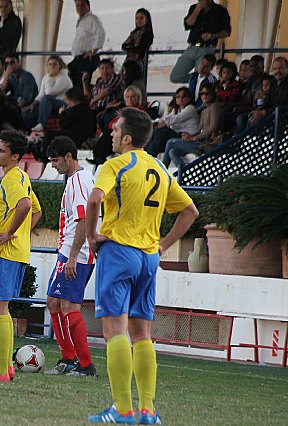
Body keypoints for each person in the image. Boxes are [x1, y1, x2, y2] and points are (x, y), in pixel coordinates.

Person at [85, 107, 199, 424]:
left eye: (115, 128)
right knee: (142, 333)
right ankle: (148, 410)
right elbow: (190, 211)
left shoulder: (116, 165)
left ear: (127, 138)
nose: (111, 132)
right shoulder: (161, 169)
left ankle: (122, 409)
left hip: (119, 251)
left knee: (114, 329)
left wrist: (93, 236)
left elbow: (94, 200)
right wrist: (163, 245)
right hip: (149, 258)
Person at [0, 130, 42, 382]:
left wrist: (10, 233)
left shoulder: (12, 179)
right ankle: (7, 368)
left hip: (5, 252)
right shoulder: (22, 176)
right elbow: (37, 210)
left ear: (14, 156)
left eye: (1, 150)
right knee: (3, 310)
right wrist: (22, 234)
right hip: (17, 252)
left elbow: (25, 206)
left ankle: (1, 371)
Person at [42, 136, 97, 377]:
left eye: (55, 161)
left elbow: (83, 219)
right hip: (70, 251)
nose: (53, 166)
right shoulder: (80, 178)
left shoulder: (78, 181)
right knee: (54, 301)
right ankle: (68, 358)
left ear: (68, 157)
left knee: (69, 305)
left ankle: (84, 365)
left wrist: (73, 256)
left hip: (77, 253)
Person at [170, 0, 231, 84]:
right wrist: (198, 8)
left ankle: (201, 81)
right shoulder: (194, 8)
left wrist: (212, 35)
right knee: (175, 77)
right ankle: (202, 78)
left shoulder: (221, 11)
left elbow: (226, 32)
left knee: (200, 77)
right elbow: (188, 24)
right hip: (192, 47)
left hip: (207, 48)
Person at [163, 83, 222, 168]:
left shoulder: (214, 107)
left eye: (206, 93)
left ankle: (162, 170)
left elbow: (212, 128)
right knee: (172, 151)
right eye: (201, 94)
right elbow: (199, 129)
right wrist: (189, 136)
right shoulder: (204, 110)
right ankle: (183, 173)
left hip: (208, 144)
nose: (204, 96)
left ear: (212, 94)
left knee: (171, 142)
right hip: (199, 142)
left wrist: (194, 138)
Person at [89, 85, 147, 166]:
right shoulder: (122, 109)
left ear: (137, 98)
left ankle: (99, 157)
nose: (130, 99)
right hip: (120, 131)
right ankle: (98, 156)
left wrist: (115, 126)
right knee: (108, 132)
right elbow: (111, 123)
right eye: (128, 97)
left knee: (109, 134)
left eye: (132, 97)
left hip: (129, 134)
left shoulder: (139, 110)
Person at [22, 55, 73, 132]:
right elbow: (41, 94)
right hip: (47, 104)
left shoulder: (64, 77)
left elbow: (50, 92)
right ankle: (33, 133)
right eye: (50, 64)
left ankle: (41, 124)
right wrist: (34, 103)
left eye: (55, 64)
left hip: (62, 104)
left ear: (59, 66)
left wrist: (50, 77)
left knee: (46, 98)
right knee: (26, 114)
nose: (52, 66)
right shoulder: (46, 77)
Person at [146, 87, 199, 158]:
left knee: (163, 131)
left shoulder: (190, 109)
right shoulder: (176, 110)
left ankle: (149, 157)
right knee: (154, 132)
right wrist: (154, 124)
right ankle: (146, 155)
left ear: (189, 98)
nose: (180, 98)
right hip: (178, 136)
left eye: (183, 96)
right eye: (178, 96)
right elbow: (165, 118)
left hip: (187, 137)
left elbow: (174, 119)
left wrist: (159, 125)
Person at [67, 0, 106, 90]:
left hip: (86, 58)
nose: (80, 8)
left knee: (83, 85)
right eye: (77, 6)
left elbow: (101, 33)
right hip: (78, 58)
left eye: (83, 5)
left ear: (88, 6)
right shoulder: (82, 20)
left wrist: (94, 51)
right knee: (74, 80)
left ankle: (83, 102)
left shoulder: (92, 19)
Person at [248, 56, 288, 126]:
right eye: (275, 69)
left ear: (287, 69)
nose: (277, 71)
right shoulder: (273, 83)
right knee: (251, 116)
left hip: (282, 117)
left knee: (254, 120)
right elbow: (268, 102)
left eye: (281, 68)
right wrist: (259, 110)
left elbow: (283, 105)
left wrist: (264, 112)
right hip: (271, 114)